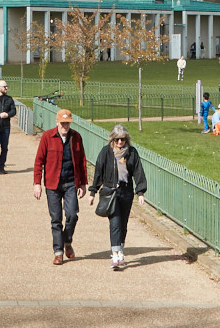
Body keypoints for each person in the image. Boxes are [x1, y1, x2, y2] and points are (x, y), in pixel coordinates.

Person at [89, 124, 148, 270]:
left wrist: (140, 192)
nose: (120, 142)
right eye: (117, 140)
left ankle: (120, 248)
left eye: (123, 139)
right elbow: (99, 171)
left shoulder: (132, 152)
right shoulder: (106, 152)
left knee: (123, 223)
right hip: (111, 192)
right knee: (115, 222)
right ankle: (115, 254)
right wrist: (93, 191)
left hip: (126, 192)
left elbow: (138, 172)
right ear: (112, 139)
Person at [34, 109, 89, 263]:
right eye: (63, 123)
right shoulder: (47, 137)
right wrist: (37, 183)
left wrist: (83, 183)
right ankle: (58, 252)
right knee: (56, 219)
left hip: (71, 182)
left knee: (72, 215)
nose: (65, 126)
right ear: (57, 122)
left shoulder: (76, 137)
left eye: (67, 123)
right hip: (53, 184)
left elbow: (82, 161)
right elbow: (39, 161)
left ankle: (67, 241)